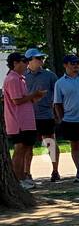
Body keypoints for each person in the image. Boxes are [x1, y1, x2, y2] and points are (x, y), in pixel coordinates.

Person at [4, 51, 40, 185]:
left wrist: (34, 97)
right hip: (17, 122)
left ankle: (22, 178)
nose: (26, 64)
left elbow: (23, 100)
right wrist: (34, 94)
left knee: (24, 149)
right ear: (15, 63)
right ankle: (17, 180)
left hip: (25, 121)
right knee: (19, 150)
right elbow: (17, 100)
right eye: (24, 62)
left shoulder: (20, 78)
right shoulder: (13, 79)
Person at [24, 50, 59, 181]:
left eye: (42, 57)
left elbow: (57, 95)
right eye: (38, 57)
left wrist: (56, 112)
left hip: (46, 115)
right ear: (29, 60)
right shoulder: (21, 76)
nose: (41, 59)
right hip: (28, 116)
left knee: (50, 142)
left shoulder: (50, 75)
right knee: (28, 145)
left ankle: (55, 171)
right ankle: (27, 173)